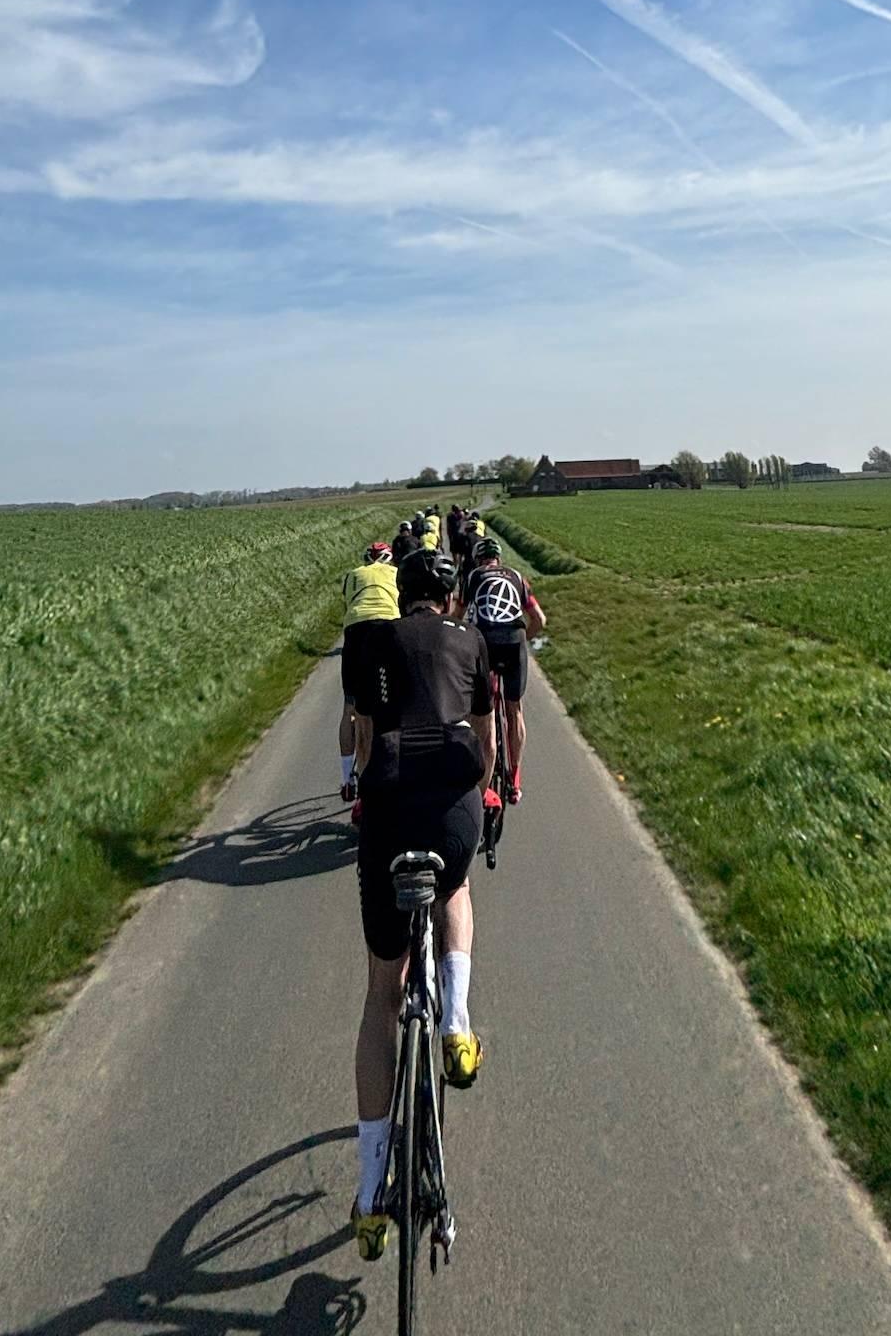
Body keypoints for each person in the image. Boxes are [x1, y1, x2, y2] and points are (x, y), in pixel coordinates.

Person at [350, 545, 498, 1261]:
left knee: (383, 991)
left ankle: (369, 1198)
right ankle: (457, 1027)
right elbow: (486, 747)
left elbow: (364, 743)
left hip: (387, 813)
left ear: (399, 593)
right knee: (456, 889)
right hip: (451, 813)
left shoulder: (372, 643)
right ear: (449, 600)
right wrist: (481, 801)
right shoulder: (470, 641)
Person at [463, 536, 545, 806]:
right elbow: (539, 619)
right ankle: (515, 778)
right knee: (514, 709)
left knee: (480, 711)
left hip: (484, 642)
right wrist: (523, 641)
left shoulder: (474, 576)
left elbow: (458, 615)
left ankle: (477, 769)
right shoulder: (518, 578)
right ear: (499, 558)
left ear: (478, 559)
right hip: (513, 642)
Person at [337, 540, 400, 809]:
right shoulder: (396, 573)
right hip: (388, 630)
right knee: (395, 703)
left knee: (352, 710)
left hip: (356, 635)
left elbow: (348, 605)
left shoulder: (352, 575)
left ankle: (350, 783)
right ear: (389, 559)